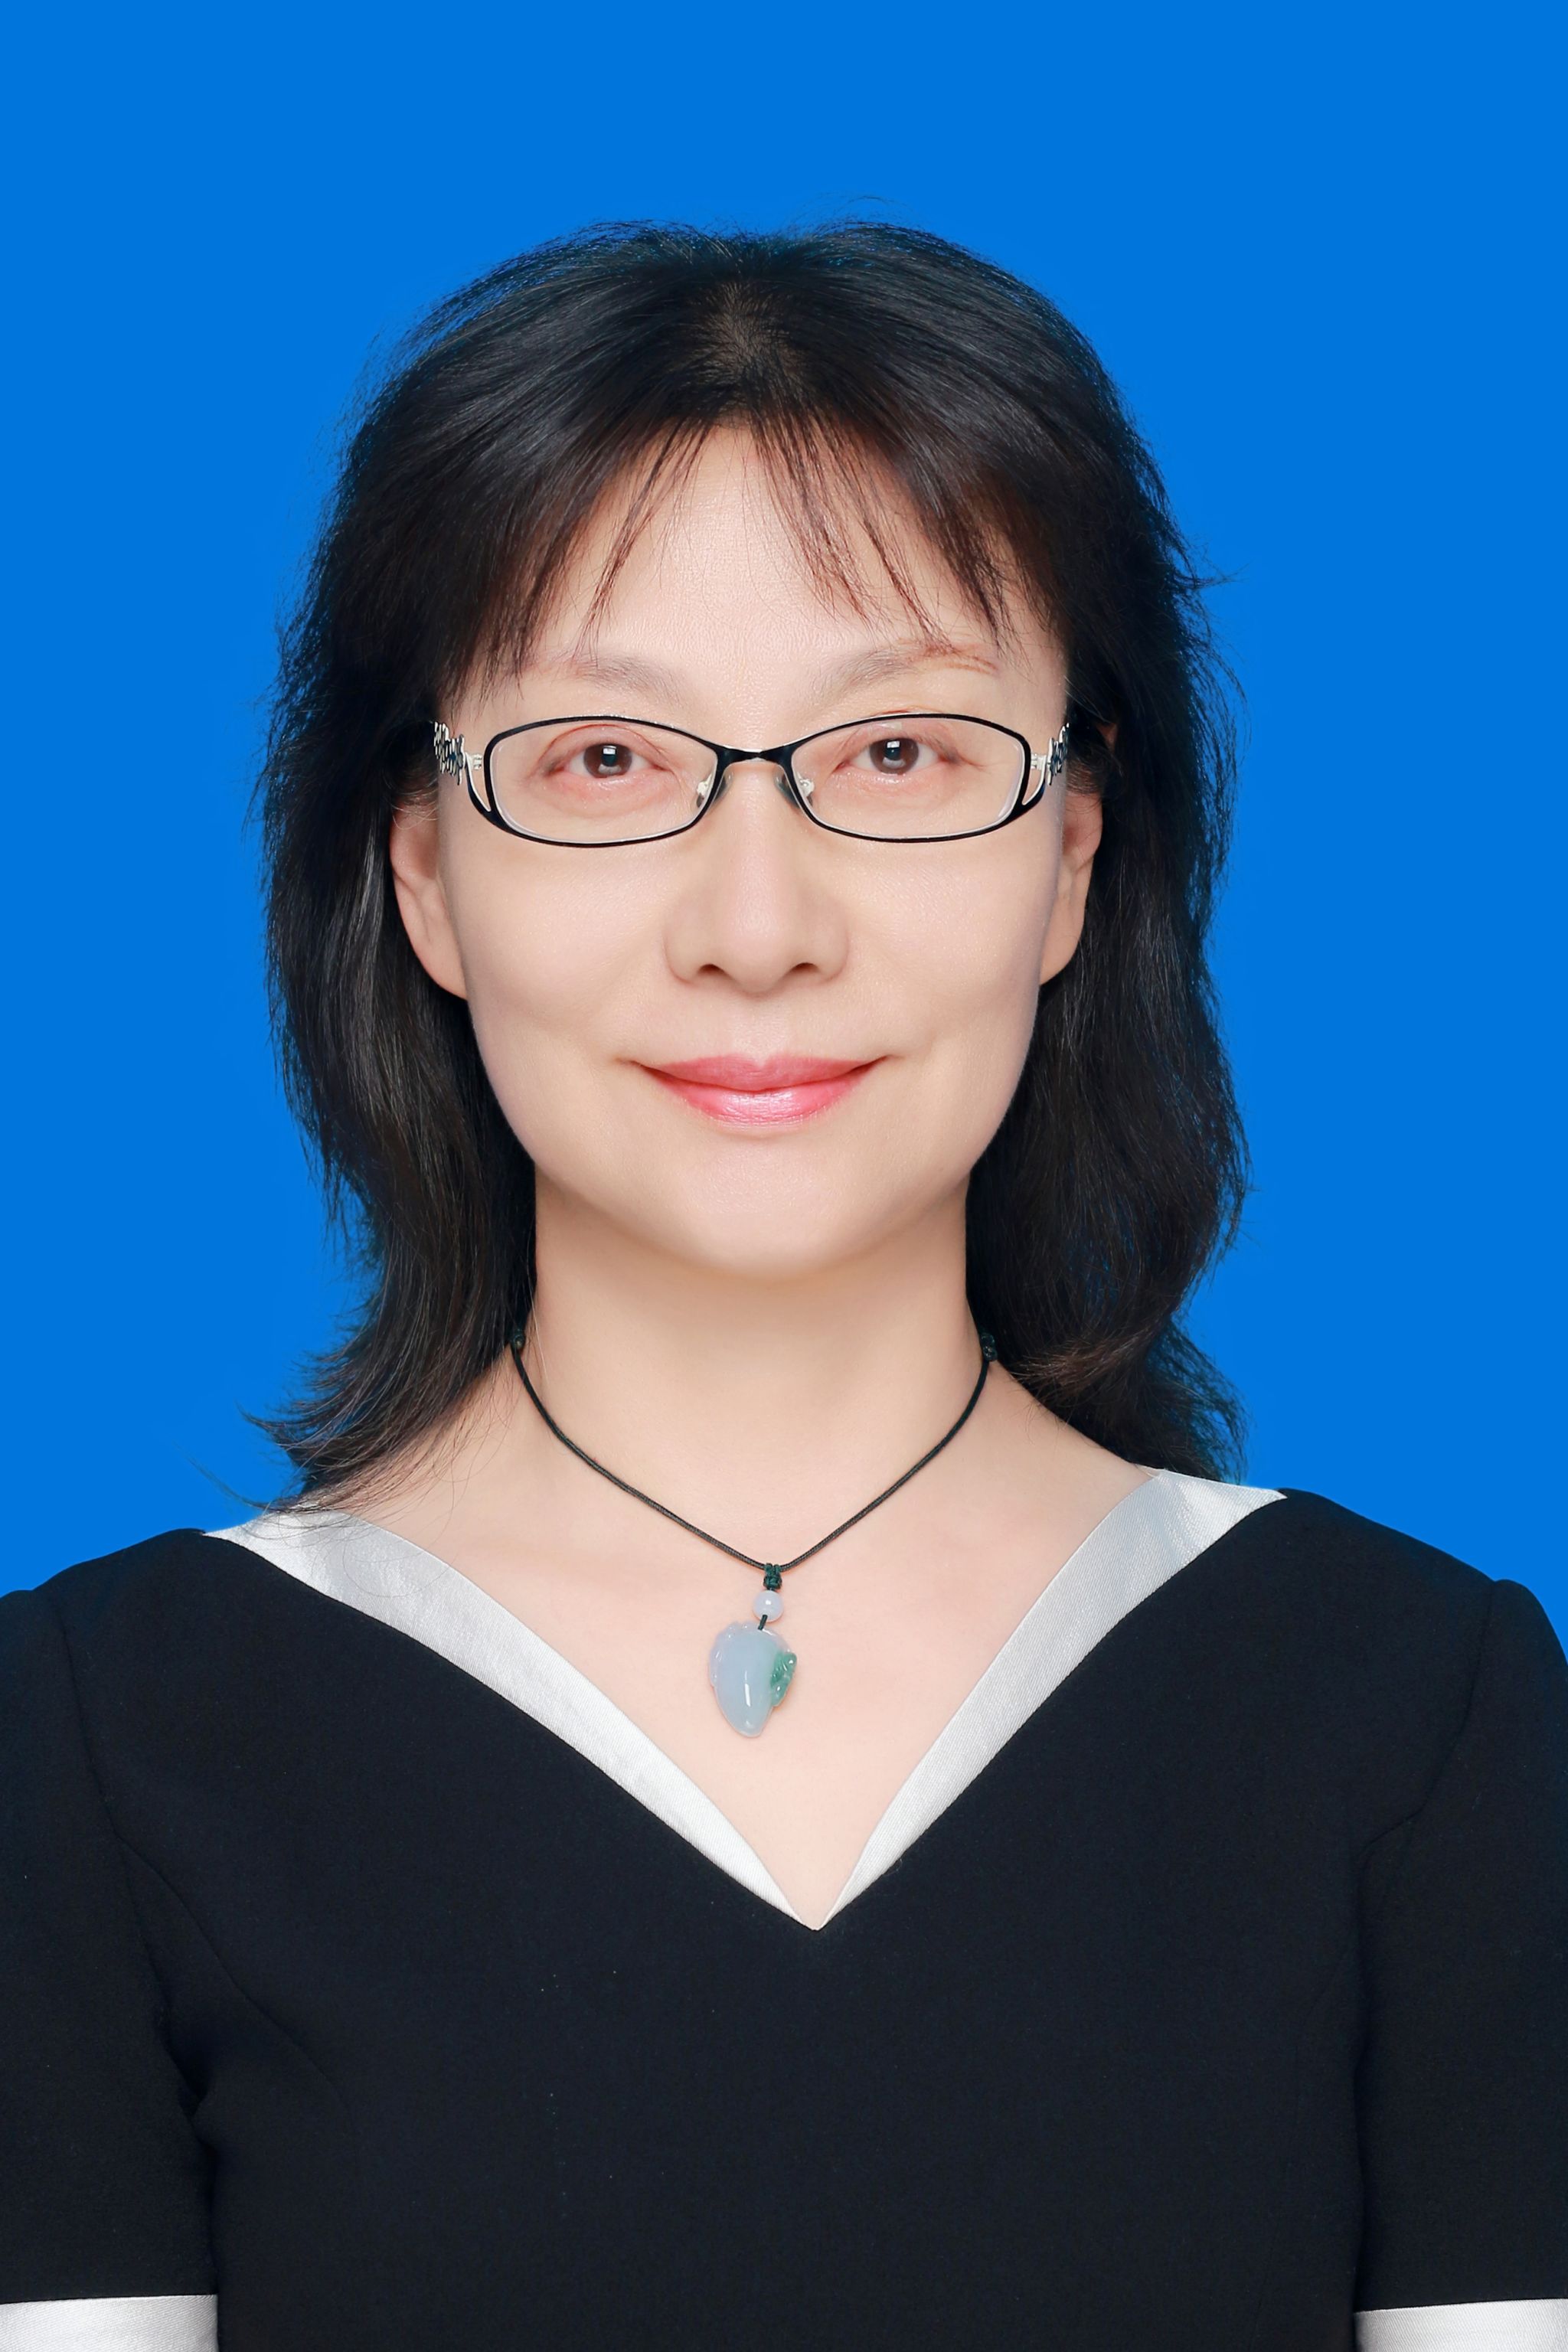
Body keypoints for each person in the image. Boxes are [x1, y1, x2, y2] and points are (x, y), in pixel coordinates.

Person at [2, 222, 1563, 2352]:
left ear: (1074, 858)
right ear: (423, 873)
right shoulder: (96, 1748)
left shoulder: (1422, 1715)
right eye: (607, 760)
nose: (758, 927)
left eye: (899, 754)